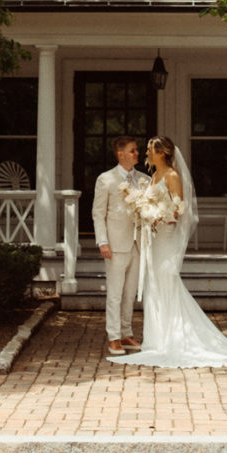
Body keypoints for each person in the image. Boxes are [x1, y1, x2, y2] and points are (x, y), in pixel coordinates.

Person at [110, 135, 227, 368]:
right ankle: (157, 340)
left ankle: (175, 338)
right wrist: (146, 214)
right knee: (154, 285)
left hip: (165, 238)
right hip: (154, 239)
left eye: (149, 149)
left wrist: (160, 216)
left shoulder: (171, 176)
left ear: (161, 153)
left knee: (166, 282)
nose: (146, 153)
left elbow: (179, 209)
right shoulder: (154, 177)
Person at [92, 135, 149, 356]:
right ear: (121, 154)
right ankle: (113, 336)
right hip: (115, 243)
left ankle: (126, 333)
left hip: (138, 243)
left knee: (130, 293)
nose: (137, 153)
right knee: (115, 293)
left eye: (136, 150)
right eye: (133, 150)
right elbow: (98, 213)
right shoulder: (105, 179)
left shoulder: (143, 179)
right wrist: (102, 241)